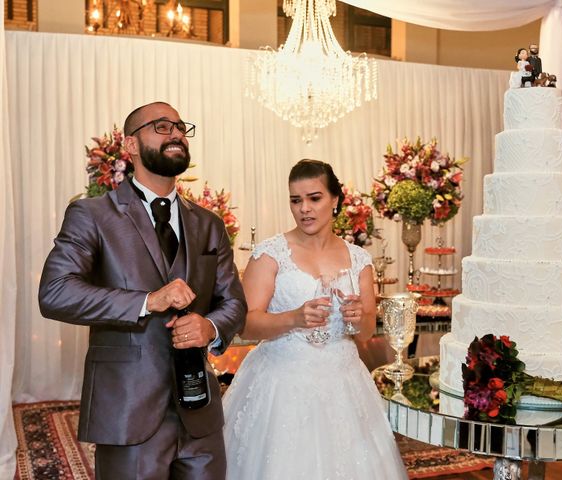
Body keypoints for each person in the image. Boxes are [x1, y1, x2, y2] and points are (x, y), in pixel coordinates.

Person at [39, 101, 247, 479]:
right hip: (128, 409)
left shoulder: (208, 224)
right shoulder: (93, 215)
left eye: (181, 128)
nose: (177, 135)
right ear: (131, 145)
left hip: (199, 411)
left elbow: (233, 302)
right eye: (162, 127)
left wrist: (211, 328)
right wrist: (147, 301)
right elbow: (55, 292)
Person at [222, 159, 408, 479]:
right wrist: (292, 319)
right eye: (296, 200)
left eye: (314, 198)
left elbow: (365, 332)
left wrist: (356, 317)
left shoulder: (359, 260)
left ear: (335, 200)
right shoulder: (270, 254)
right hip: (281, 382)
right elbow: (246, 325)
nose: (304, 208)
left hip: (345, 381)